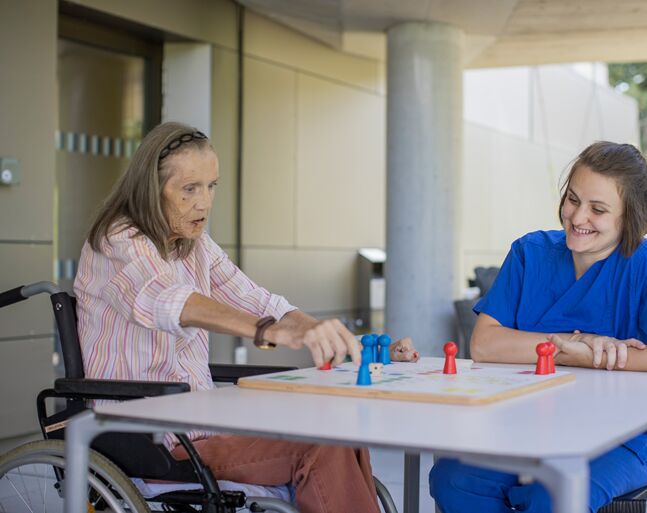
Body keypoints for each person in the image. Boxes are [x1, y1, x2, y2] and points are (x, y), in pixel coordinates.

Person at [74, 121, 417, 513]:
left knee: (338, 428)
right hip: (149, 440)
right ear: (151, 190)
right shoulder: (117, 240)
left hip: (200, 428)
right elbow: (173, 302)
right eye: (190, 189)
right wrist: (266, 331)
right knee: (322, 443)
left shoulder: (193, 244)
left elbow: (256, 300)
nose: (204, 203)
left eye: (211, 186)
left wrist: (326, 334)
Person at [429, 141, 647, 513]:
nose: (578, 217)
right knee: (454, 480)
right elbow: (486, 344)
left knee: (550, 495)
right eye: (573, 199)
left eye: (598, 209)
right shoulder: (529, 253)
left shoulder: (643, 265)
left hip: (621, 439)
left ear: (629, 218)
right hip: (522, 427)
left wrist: (598, 358)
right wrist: (577, 342)